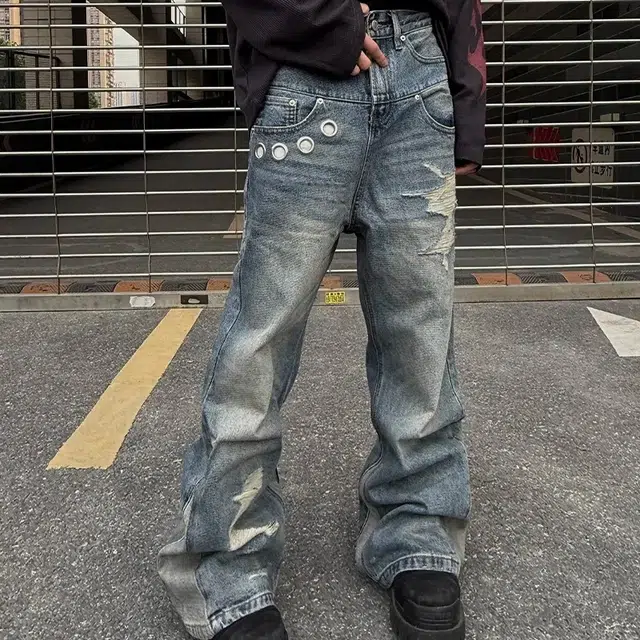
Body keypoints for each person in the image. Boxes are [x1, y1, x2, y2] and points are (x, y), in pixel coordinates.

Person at [158, 0, 486, 638]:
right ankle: (226, 562)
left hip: (422, 73)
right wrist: (320, 18)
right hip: (306, 71)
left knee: (421, 326)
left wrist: (465, 99)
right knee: (263, 333)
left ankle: (418, 528)